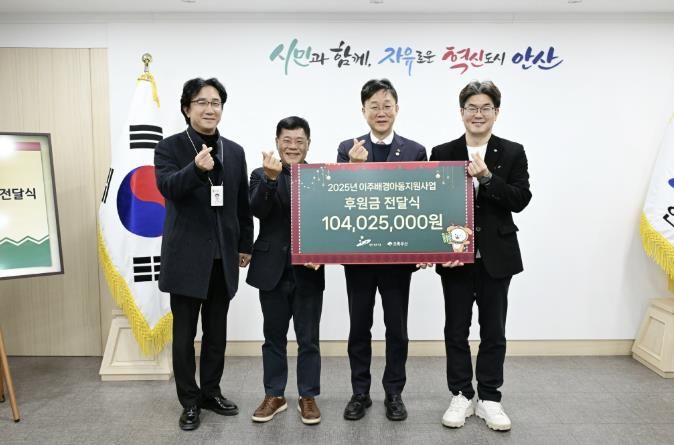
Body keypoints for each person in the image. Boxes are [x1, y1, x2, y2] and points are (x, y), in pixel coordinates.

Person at [429, 80, 531, 431]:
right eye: (471, 107)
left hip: (497, 256)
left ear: (496, 112)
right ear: (461, 112)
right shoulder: (442, 152)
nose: (478, 114)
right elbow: (433, 207)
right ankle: (461, 394)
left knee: (494, 330)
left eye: (485, 107)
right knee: (455, 330)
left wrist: (487, 177)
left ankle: (489, 397)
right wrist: (441, 249)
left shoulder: (512, 152)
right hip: (455, 258)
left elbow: (520, 199)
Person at [154, 77, 254, 431]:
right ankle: (189, 401)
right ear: (187, 109)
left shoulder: (234, 151)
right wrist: (196, 169)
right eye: (201, 102)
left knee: (216, 333)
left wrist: (245, 244)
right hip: (185, 258)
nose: (210, 109)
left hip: (222, 257)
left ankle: (211, 392)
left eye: (216, 103)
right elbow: (168, 187)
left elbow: (241, 204)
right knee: (184, 336)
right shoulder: (169, 148)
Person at [337, 78, 426, 422]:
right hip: (358, 256)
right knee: (359, 328)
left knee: (396, 329)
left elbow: (421, 202)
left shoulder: (415, 151)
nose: (381, 112)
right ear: (363, 111)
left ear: (397, 109)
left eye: (387, 105)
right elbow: (338, 199)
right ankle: (360, 392)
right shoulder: (348, 148)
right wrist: (351, 168)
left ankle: (394, 393)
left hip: (397, 260)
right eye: (373, 106)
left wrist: (424, 249)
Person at [247, 116, 325, 425]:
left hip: (308, 271)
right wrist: (270, 180)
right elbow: (257, 210)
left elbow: (329, 221)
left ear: (308, 144)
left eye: (299, 141)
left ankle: (308, 396)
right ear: (277, 143)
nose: (293, 146)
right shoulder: (260, 174)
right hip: (272, 270)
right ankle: (274, 395)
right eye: (287, 141)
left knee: (309, 339)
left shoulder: (320, 177)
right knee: (273, 337)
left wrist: (322, 252)